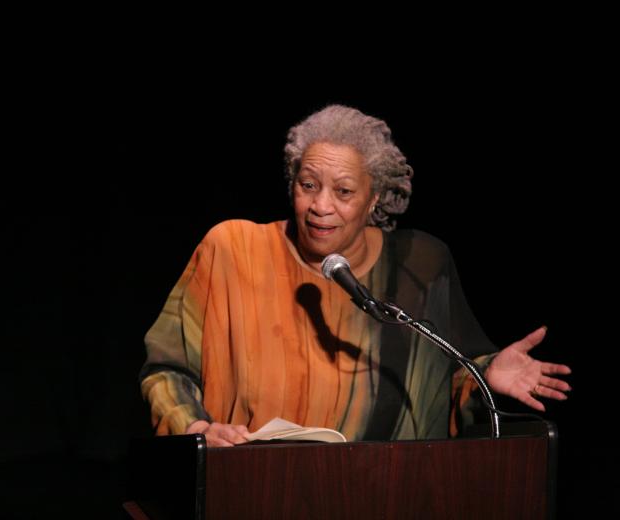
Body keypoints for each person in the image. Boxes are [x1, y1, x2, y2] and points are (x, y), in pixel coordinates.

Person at [139, 105, 572, 447]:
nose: (321, 206)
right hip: (251, 488)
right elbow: (166, 369)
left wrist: (485, 376)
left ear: (375, 198)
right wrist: (194, 428)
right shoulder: (232, 251)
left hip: (382, 494)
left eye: (343, 191)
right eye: (307, 185)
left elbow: (442, 382)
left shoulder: (419, 266)